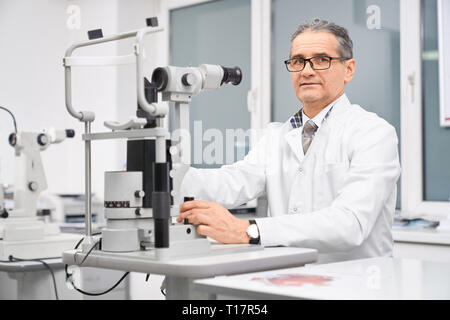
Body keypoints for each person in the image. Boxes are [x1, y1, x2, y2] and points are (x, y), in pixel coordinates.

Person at [176, 19, 401, 263]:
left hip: (356, 285)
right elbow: (235, 181)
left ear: (349, 69)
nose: (306, 71)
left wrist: (249, 230)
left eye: (321, 60)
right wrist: (163, 177)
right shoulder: (278, 135)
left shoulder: (373, 133)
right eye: (297, 61)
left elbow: (350, 223)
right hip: (289, 278)